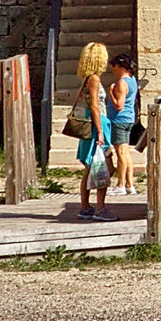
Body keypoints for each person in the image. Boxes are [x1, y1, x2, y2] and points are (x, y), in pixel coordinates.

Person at [89, 50, 141, 218]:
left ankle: (120, 185)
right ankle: (130, 185)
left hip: (119, 120)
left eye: (114, 67)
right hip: (128, 119)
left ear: (121, 67)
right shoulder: (132, 80)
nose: (112, 69)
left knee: (121, 154)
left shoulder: (121, 83)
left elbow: (118, 105)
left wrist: (111, 91)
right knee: (126, 154)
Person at [71, 40, 112, 217]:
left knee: (91, 167)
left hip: (93, 123)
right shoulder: (94, 79)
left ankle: (86, 206)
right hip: (98, 124)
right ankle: (100, 208)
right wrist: (100, 131)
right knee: (102, 166)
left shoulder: (87, 79)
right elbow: (95, 106)